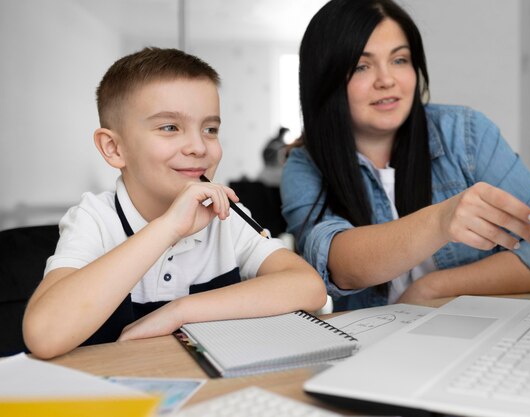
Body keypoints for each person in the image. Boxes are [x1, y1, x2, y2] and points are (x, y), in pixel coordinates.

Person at [23, 47, 327, 359]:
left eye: (210, 129)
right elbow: (44, 335)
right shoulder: (95, 218)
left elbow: (309, 287)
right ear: (114, 148)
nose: (198, 147)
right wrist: (167, 228)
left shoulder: (227, 217)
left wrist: (180, 311)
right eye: (170, 127)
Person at [281, 0, 530, 311]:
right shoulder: (305, 165)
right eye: (361, 66)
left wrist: (433, 288)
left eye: (399, 60)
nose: (387, 80)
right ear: (324, 80)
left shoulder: (468, 135)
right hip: (375, 348)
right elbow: (337, 266)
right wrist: (440, 221)